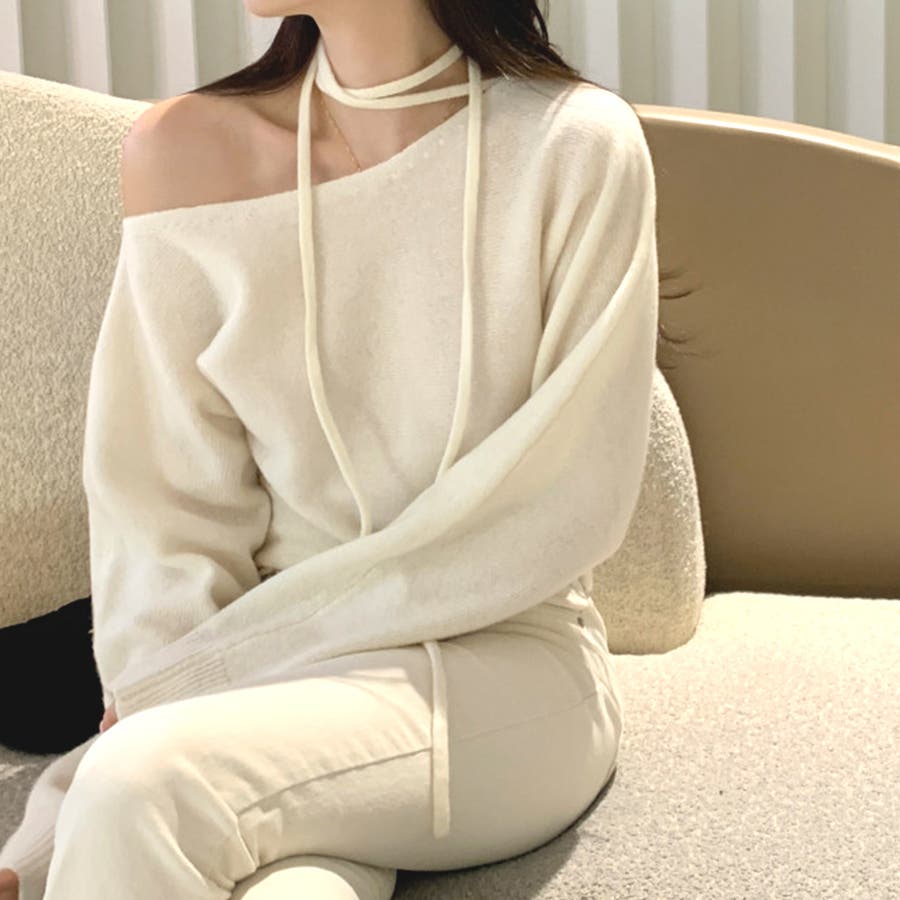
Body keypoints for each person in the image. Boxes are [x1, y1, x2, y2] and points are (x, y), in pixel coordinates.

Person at [0, 1, 661, 897]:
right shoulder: (184, 155)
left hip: (509, 673)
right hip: (269, 699)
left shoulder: (574, 147)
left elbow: (562, 507)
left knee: (138, 787)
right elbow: (161, 510)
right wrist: (153, 701)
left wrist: (187, 691)